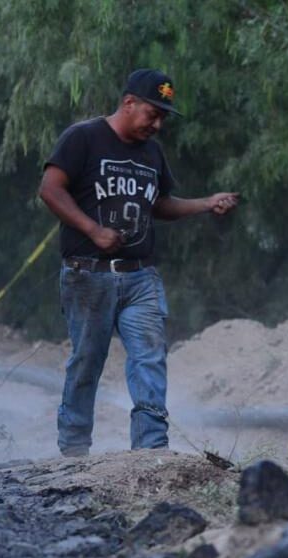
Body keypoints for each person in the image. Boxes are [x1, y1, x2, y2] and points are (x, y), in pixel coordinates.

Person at [38, 69, 239, 457]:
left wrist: (205, 203)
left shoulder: (152, 153)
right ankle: (74, 451)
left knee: (149, 356)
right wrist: (94, 231)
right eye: (153, 113)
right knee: (86, 361)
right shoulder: (83, 137)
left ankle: (151, 450)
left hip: (140, 276)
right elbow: (49, 189)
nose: (158, 124)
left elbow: (159, 204)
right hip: (88, 274)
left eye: (164, 116)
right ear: (129, 103)